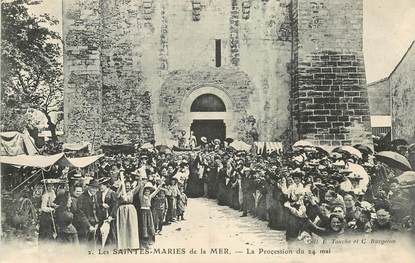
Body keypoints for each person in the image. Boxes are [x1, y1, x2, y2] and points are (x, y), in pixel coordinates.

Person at [116, 171, 141, 249]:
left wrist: (139, 178)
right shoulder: (120, 192)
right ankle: (123, 245)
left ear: (130, 186)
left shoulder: (132, 192)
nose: (127, 187)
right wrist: (121, 185)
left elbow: (139, 186)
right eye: (126, 186)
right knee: (122, 227)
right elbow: (117, 196)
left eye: (128, 186)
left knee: (131, 226)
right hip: (121, 210)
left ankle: (132, 245)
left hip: (130, 210)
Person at [139, 180, 165, 248]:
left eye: (148, 191)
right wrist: (142, 185)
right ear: (144, 192)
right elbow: (141, 191)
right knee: (144, 226)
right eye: (146, 191)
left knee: (149, 226)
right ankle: (143, 243)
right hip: (143, 212)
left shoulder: (150, 197)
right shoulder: (141, 197)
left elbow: (156, 191)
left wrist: (161, 184)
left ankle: (149, 241)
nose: (147, 192)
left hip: (148, 212)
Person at [76, 179, 101, 244]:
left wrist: (97, 223)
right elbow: (81, 214)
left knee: (92, 246)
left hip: (94, 226)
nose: (94, 190)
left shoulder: (95, 196)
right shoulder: (82, 197)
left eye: (96, 188)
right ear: (89, 187)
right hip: (85, 227)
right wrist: (89, 226)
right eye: (93, 188)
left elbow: (96, 211)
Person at [97, 177, 118, 246]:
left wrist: (111, 216)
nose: (100, 187)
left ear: (106, 185)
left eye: (102, 185)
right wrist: (102, 204)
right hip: (102, 215)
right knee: (101, 232)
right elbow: (97, 203)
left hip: (110, 216)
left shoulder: (112, 193)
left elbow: (115, 205)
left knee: (111, 233)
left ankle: (111, 248)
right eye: (99, 185)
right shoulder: (99, 193)